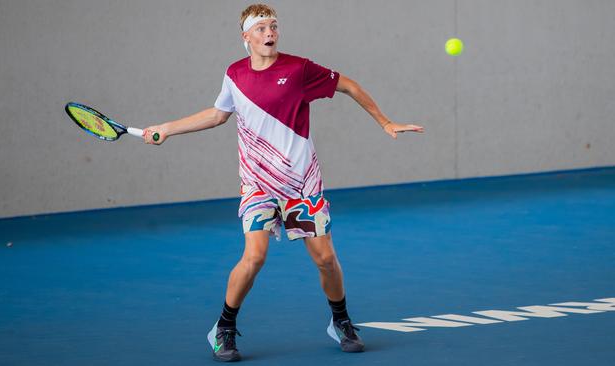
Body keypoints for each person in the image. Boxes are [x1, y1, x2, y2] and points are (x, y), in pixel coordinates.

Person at [143, 3, 424, 362]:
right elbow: (217, 115)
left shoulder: (299, 69)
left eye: (273, 26)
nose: (269, 33)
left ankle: (340, 321)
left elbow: (348, 85)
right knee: (255, 256)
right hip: (258, 184)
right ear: (246, 37)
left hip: (302, 184)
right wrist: (166, 128)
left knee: (325, 258)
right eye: (261, 29)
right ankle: (223, 328)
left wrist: (384, 122)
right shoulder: (234, 74)